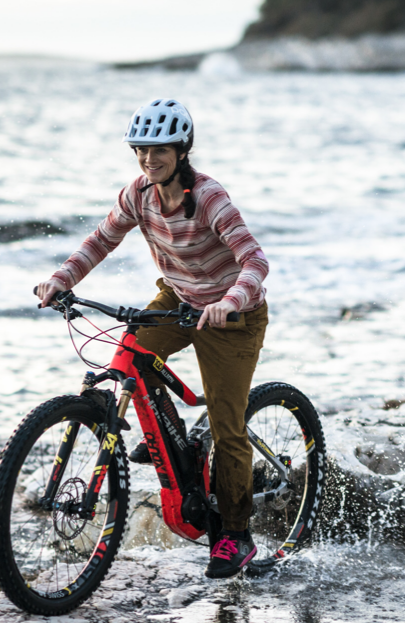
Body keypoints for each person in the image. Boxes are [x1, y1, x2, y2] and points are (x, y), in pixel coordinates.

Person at [35, 98, 269, 579]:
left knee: (227, 427)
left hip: (231, 316)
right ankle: (169, 438)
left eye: (158, 150)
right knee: (130, 352)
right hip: (177, 298)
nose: (147, 159)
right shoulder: (138, 194)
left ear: (182, 151)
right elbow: (101, 239)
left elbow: (255, 262)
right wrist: (63, 278)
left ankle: (236, 535)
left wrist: (230, 301)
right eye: (140, 151)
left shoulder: (208, 198)